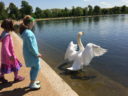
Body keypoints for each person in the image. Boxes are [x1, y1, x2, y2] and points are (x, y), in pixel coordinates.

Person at [19, 15, 42, 89]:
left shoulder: (26, 32)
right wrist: (37, 54)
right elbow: (31, 47)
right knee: (37, 67)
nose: (34, 24)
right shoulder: (28, 33)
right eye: (33, 23)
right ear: (29, 24)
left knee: (34, 68)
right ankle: (32, 84)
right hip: (32, 55)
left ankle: (33, 81)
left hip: (29, 54)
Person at [0, 19, 24, 83]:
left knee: (4, 65)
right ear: (10, 26)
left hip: (4, 55)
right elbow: (5, 47)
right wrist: (10, 56)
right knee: (15, 66)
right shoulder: (7, 35)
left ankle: (1, 77)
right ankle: (16, 78)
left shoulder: (3, 32)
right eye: (12, 25)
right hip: (10, 55)